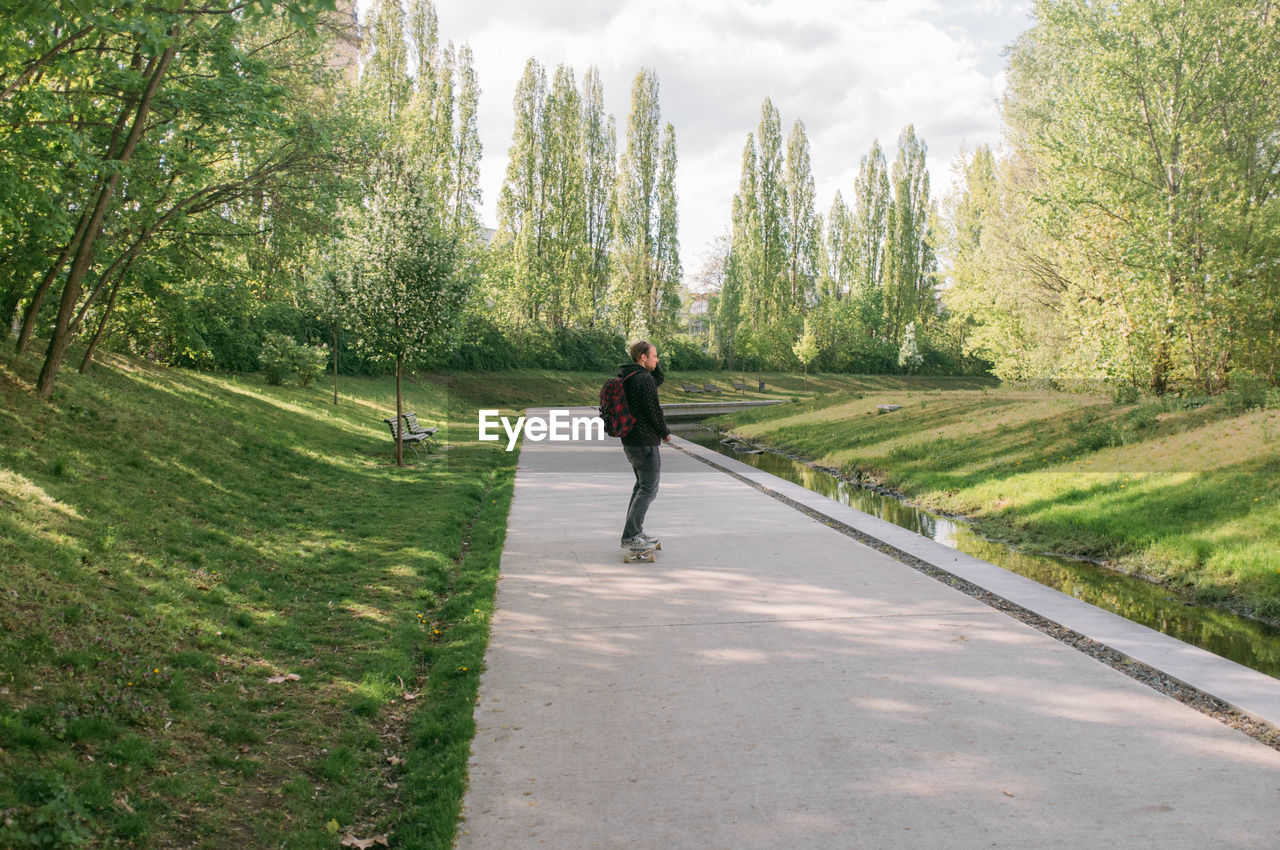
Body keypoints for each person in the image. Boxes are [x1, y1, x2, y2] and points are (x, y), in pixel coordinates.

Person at [618, 339, 671, 550]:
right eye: (654, 356)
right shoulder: (643, 380)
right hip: (645, 442)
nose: (657, 360)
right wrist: (664, 433)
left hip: (631, 440)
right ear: (643, 357)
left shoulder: (629, 376)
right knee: (649, 489)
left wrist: (655, 366)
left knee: (641, 487)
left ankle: (635, 532)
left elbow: (657, 380)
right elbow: (653, 410)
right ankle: (631, 536)